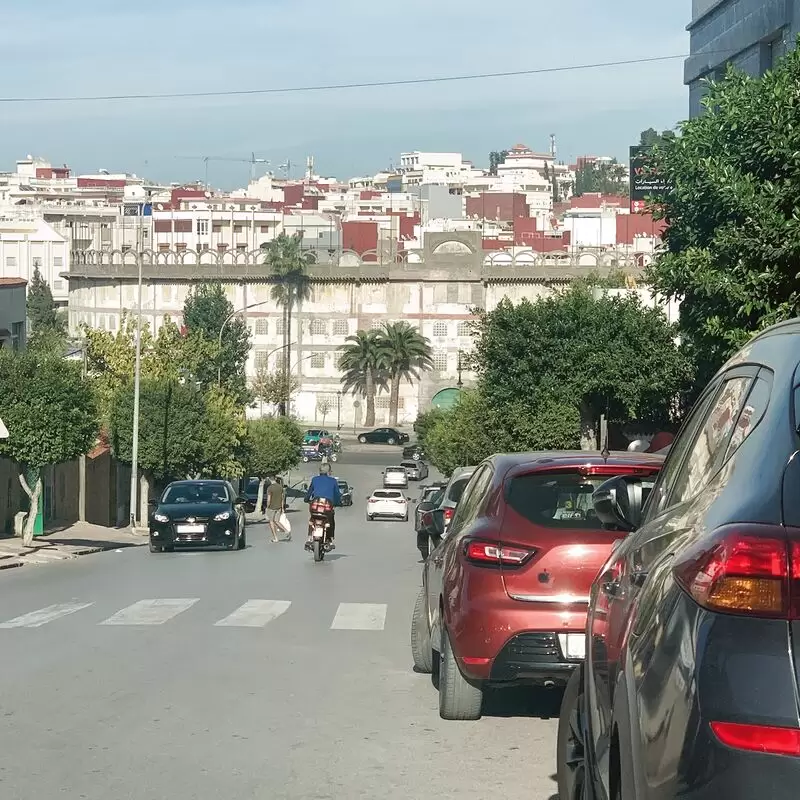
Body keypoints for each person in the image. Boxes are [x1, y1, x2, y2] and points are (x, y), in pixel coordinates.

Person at [304, 463, 341, 547]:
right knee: (330, 520)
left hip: (315, 505)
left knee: (312, 519)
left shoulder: (315, 479)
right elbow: (337, 495)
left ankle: (310, 536)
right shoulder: (333, 481)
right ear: (329, 472)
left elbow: (309, 492)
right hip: (328, 507)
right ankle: (330, 538)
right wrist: (339, 503)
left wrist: (306, 499)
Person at [265, 477, 288, 543]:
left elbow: (269, 499)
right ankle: (286, 531)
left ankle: (275, 538)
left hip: (271, 507)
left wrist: (267, 507)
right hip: (278, 507)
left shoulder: (270, 488)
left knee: (271, 522)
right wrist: (282, 507)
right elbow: (282, 498)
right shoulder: (280, 487)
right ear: (275, 479)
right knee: (277, 521)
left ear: (269, 480)